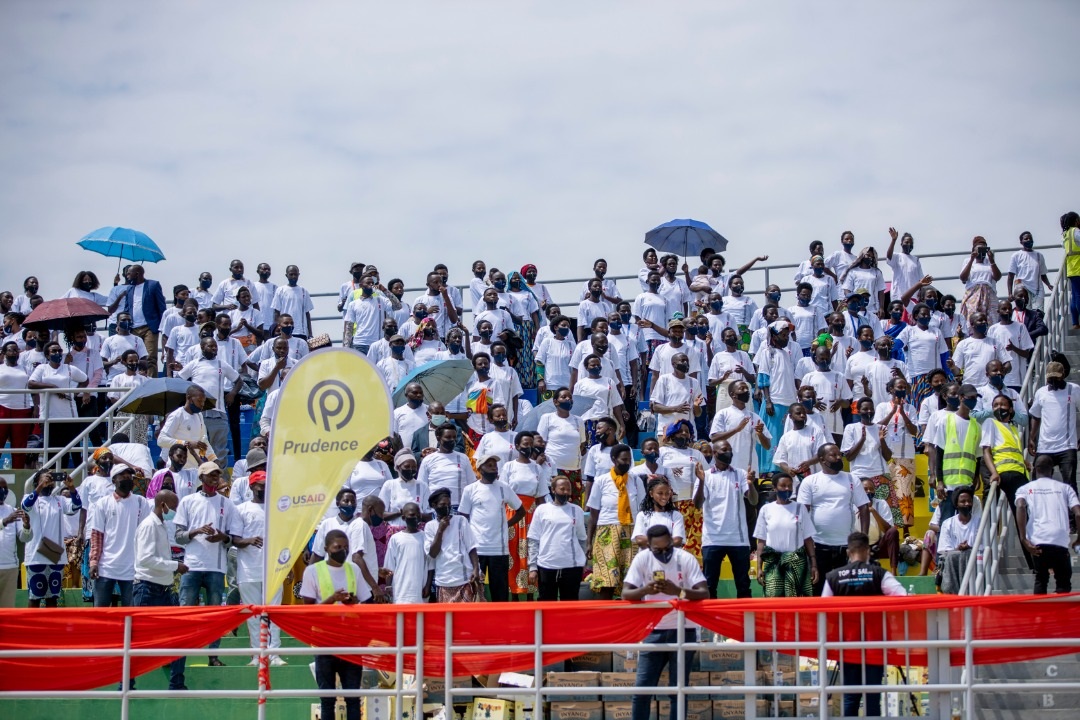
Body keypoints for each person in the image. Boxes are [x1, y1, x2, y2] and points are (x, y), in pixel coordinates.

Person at [622, 525, 709, 720]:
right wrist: (645, 590)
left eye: (667, 548)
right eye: (657, 550)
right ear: (648, 546)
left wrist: (678, 591)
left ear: (672, 541)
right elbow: (625, 594)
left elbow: (704, 593)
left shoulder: (685, 558)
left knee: (678, 690)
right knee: (642, 690)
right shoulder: (642, 558)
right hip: (654, 629)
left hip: (684, 628)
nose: (663, 554)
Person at [821, 531, 907, 718]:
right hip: (874, 644)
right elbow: (903, 596)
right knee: (872, 698)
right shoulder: (879, 574)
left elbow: (824, 609)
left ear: (848, 552)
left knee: (850, 697)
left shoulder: (833, 577)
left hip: (846, 645)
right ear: (868, 550)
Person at [174, 462, 242, 670]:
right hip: (192, 565)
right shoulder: (188, 501)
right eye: (211, 475)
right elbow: (178, 536)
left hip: (216, 566)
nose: (215, 478)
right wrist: (195, 531)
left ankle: (213, 656)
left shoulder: (227, 504)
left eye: (217, 475)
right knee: (185, 612)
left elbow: (233, 538)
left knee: (215, 615)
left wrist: (222, 537)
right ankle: (179, 656)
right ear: (201, 478)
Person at [301, 529, 364, 720]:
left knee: (353, 698)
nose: (342, 551)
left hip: (351, 641)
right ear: (327, 548)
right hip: (324, 642)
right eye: (337, 547)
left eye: (346, 547)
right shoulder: (312, 571)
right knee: (327, 699)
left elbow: (364, 602)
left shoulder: (354, 569)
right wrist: (332, 599)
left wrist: (353, 602)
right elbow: (308, 610)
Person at [133, 488, 188, 689]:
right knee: (136, 641)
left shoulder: (162, 525)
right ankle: (126, 685)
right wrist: (175, 566)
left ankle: (177, 684)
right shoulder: (149, 526)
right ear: (162, 505)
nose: (175, 512)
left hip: (164, 588)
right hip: (147, 588)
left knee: (180, 637)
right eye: (173, 507)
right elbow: (145, 559)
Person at [797, 444, 871, 595]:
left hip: (845, 546)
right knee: (818, 590)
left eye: (839, 454)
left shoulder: (851, 479)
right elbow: (803, 513)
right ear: (822, 459)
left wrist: (863, 537)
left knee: (844, 592)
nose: (838, 458)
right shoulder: (810, 481)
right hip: (818, 546)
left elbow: (864, 508)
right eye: (833, 455)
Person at [694, 439, 758, 598]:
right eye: (724, 450)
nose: (729, 453)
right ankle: (711, 615)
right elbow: (697, 504)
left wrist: (750, 484)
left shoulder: (740, 474)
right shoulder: (705, 475)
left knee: (743, 586)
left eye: (730, 450)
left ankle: (744, 615)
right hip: (712, 539)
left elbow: (753, 501)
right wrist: (701, 481)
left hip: (738, 540)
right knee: (710, 586)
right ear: (714, 453)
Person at [233, 471, 284, 664]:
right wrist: (250, 540)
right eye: (261, 485)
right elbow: (234, 539)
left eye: (267, 484)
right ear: (252, 486)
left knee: (274, 613)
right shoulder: (241, 509)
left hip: (273, 570)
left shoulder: (277, 509)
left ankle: (274, 654)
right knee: (254, 615)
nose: (264, 488)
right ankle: (257, 655)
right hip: (248, 570)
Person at [459, 453, 525, 602]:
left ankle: (500, 616)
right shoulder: (470, 489)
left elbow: (521, 511)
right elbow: (463, 518)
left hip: (499, 549)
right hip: (477, 549)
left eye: (495, 465)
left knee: (500, 592)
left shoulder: (503, 488)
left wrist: (506, 524)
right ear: (480, 469)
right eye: (489, 465)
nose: (494, 468)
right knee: (475, 590)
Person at [88, 465, 152, 607]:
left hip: (132, 569)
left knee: (130, 613)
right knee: (101, 612)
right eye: (123, 476)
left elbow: (146, 535)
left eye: (129, 476)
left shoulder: (141, 502)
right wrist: (94, 563)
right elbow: (97, 535)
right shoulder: (103, 503)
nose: (127, 478)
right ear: (114, 480)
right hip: (106, 567)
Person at [1016, 455, 1080, 595]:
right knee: (1063, 582)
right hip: (1059, 541)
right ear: (1052, 470)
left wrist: (1023, 539)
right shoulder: (1065, 488)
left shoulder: (1025, 488)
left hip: (1038, 541)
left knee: (1041, 579)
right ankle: (1061, 608)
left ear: (1035, 470)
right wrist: (1079, 538)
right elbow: (1078, 514)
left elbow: (1020, 506)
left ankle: (1040, 609)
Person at [586, 444, 641, 599]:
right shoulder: (601, 481)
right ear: (614, 459)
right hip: (607, 534)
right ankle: (606, 612)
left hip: (631, 532)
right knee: (607, 580)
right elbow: (593, 515)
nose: (627, 463)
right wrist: (589, 542)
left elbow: (643, 511)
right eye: (624, 460)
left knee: (631, 581)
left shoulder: (635, 481)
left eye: (629, 460)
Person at [22, 469, 82, 607]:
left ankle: (50, 621)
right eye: (46, 478)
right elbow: (26, 506)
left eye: (51, 479)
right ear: (37, 482)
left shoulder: (60, 500)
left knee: (53, 597)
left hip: (55, 555)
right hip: (36, 556)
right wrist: (40, 487)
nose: (49, 481)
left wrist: (71, 487)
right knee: (35, 596)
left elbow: (77, 506)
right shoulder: (29, 497)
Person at [177, 337, 240, 469]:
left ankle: (220, 479)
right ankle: (199, 476)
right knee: (198, 447)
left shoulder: (222, 364)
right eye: (210, 346)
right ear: (202, 347)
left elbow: (239, 381)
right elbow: (179, 379)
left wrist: (232, 394)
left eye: (215, 346)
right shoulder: (194, 364)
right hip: (198, 414)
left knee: (219, 451)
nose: (214, 348)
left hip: (218, 413)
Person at [501, 431, 549, 598]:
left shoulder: (537, 468)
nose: (529, 447)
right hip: (512, 514)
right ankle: (513, 595)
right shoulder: (509, 466)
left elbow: (541, 496)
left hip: (531, 514)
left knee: (530, 552)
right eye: (525, 444)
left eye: (531, 444)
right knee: (512, 553)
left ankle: (530, 595)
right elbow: (503, 494)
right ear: (517, 446)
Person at [753, 473, 816, 597]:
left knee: (797, 603)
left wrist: (813, 565)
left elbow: (808, 538)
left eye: (789, 486)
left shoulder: (800, 508)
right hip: (773, 565)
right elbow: (761, 541)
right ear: (775, 488)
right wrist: (759, 567)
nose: (787, 489)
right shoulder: (766, 509)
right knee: (774, 602)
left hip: (796, 563)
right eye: (783, 486)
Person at [27, 341, 89, 468]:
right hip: (48, 416)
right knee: (51, 451)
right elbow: (31, 384)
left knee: (66, 451)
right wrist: (53, 388)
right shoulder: (42, 368)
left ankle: (64, 477)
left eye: (59, 351)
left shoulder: (69, 369)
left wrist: (75, 393)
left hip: (68, 416)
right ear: (47, 355)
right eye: (54, 351)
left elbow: (85, 380)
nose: (57, 353)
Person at [926, 383, 982, 521]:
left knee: (966, 522)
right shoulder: (946, 421)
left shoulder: (976, 426)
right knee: (946, 522)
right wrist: (939, 481)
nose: (974, 401)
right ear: (961, 397)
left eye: (975, 398)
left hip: (967, 484)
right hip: (948, 484)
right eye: (971, 397)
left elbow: (977, 457)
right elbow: (939, 452)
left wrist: (976, 477)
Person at [527, 475, 587, 600]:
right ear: (553, 490)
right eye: (562, 489)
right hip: (546, 565)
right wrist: (533, 567)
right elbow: (533, 539)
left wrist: (583, 562)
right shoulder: (542, 510)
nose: (565, 492)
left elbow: (582, 539)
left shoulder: (576, 510)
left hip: (572, 567)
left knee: (570, 603)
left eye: (568, 489)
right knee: (547, 603)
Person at [1028, 362, 1078, 493]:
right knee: (1037, 481)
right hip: (1045, 446)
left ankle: (1072, 507)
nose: (1053, 381)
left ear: (1063, 375)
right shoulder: (1041, 392)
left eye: (1056, 378)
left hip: (1067, 446)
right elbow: (1036, 416)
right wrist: (1032, 437)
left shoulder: (1073, 389)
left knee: (1070, 484)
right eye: (1051, 378)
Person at [425, 487, 482, 602]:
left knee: (467, 613)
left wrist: (476, 569)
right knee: (447, 614)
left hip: (465, 579)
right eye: (443, 504)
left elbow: (471, 547)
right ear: (434, 505)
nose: (447, 507)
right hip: (444, 580)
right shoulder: (430, 526)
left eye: (449, 504)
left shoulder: (461, 521)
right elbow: (432, 553)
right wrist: (440, 530)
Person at [537, 387, 588, 505]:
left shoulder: (578, 421)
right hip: (554, 470)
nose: (568, 399)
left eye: (570, 397)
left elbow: (582, 444)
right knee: (554, 504)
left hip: (574, 470)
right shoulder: (547, 418)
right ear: (555, 401)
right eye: (564, 397)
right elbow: (540, 442)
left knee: (574, 505)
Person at [112, 264, 168, 375]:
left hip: (149, 327)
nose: (127, 276)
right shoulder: (129, 288)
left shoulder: (153, 285)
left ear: (137, 274)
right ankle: (136, 380)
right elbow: (127, 308)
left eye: (129, 274)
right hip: (133, 328)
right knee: (134, 356)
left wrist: (163, 327)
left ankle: (152, 382)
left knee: (150, 357)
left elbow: (161, 307)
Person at [158, 385, 216, 469]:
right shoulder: (177, 415)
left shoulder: (199, 416)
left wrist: (213, 459)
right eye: (199, 401)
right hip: (177, 469)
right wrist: (186, 443)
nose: (202, 404)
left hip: (194, 469)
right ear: (189, 398)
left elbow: (203, 440)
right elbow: (161, 440)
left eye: (203, 401)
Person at [417, 424, 474, 507]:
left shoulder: (463, 458)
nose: (452, 440)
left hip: (460, 507)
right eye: (448, 437)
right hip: (436, 508)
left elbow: (471, 484)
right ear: (438, 438)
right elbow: (421, 486)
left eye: (454, 437)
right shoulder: (428, 460)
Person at [384, 502, 430, 603]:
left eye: (418, 514)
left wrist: (428, 585)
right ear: (403, 517)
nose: (416, 517)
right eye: (412, 515)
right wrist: (388, 586)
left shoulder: (425, 537)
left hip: (419, 590)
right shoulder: (396, 538)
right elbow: (389, 565)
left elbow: (430, 564)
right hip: (400, 591)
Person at [937, 485, 979, 594]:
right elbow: (944, 550)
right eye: (963, 501)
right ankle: (955, 593)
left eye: (969, 501)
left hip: (974, 561)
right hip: (953, 561)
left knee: (968, 554)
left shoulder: (979, 522)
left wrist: (969, 547)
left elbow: (983, 547)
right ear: (956, 504)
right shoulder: (948, 523)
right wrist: (958, 548)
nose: (967, 504)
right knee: (952, 556)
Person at [0, 341, 33, 468]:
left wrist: (35, 406)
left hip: (22, 409)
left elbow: (33, 388)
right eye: (11, 350)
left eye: (16, 350)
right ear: (4, 352)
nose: (14, 352)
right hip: (2, 407)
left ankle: (18, 473)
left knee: (19, 446)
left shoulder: (25, 369)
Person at [0, 480, 31, 607]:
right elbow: (4, 522)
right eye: (0, 488)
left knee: (6, 608)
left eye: (5, 488)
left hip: (10, 568)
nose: (2, 491)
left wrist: (26, 525)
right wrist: (5, 521)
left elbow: (24, 538)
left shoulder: (13, 511)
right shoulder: (11, 515)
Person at [632, 476, 685, 548]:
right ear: (651, 494)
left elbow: (677, 541)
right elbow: (640, 540)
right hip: (649, 554)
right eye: (660, 493)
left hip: (670, 555)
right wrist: (667, 541)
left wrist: (652, 541)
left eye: (667, 493)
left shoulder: (676, 515)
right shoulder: (642, 515)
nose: (664, 497)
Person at [959, 236, 1001, 326]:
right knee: (973, 317)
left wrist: (992, 260)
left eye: (983, 249)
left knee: (991, 319)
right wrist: (972, 259)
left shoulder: (989, 261)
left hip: (989, 293)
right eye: (979, 249)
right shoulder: (968, 261)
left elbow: (997, 277)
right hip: (973, 292)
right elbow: (963, 278)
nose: (981, 252)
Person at [1008, 230, 1052, 312]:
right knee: (1025, 313)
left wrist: (1048, 285)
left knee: (1038, 313)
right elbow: (1010, 276)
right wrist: (1010, 293)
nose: (1029, 240)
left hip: (1037, 290)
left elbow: (1042, 274)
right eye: (1026, 239)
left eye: (1030, 238)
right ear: (1021, 242)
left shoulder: (1039, 256)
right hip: (1022, 288)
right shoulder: (1016, 256)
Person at [271, 265, 314, 339]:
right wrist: (276, 330)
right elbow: (276, 312)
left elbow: (307, 314)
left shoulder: (303, 291)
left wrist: (310, 333)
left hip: (300, 332)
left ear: (298, 275)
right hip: (284, 331)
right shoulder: (280, 290)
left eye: (295, 274)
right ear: (286, 275)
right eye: (291, 274)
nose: (293, 276)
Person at [1062, 212, 1080, 328]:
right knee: (1078, 296)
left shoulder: (1066, 234)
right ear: (1076, 221)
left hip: (1071, 268)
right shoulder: (1076, 231)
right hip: (1078, 266)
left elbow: (1063, 245)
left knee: (1074, 296)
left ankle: (1075, 322)